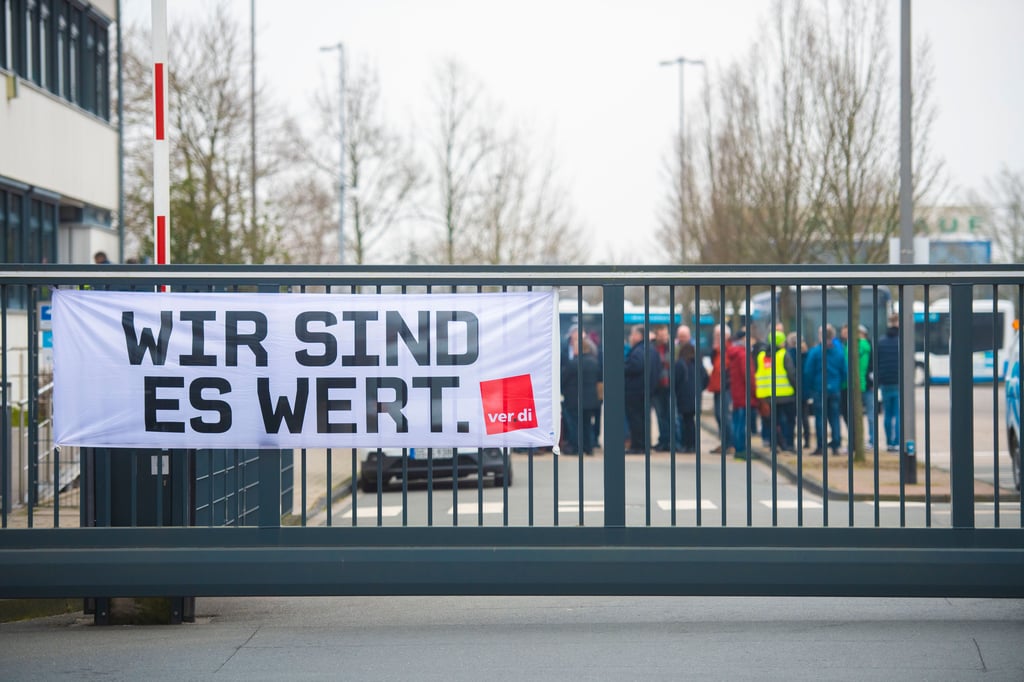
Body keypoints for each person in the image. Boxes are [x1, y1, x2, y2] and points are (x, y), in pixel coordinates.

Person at [803, 324, 847, 456]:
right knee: (835, 417)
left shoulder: (815, 352)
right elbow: (844, 371)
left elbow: (808, 372)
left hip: (819, 388)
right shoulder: (839, 352)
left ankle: (821, 446)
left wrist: (809, 388)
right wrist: (838, 383)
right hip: (834, 389)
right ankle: (836, 445)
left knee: (820, 418)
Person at [754, 330, 797, 451]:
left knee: (773, 421)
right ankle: (788, 444)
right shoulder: (783, 354)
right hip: (786, 394)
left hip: (768, 395)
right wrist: (796, 388)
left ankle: (774, 444)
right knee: (789, 421)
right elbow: (791, 373)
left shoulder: (761, 356)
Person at [561, 335, 601, 455]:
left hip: (574, 399)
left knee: (574, 424)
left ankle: (576, 447)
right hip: (591, 400)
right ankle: (588, 447)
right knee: (587, 424)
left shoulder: (573, 363)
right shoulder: (594, 362)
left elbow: (563, 379)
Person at [624, 324, 660, 453]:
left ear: (639, 336)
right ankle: (644, 444)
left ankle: (638, 446)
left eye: (632, 334)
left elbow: (636, 366)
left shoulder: (639, 351)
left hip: (636, 391)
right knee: (644, 419)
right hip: (647, 391)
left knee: (636, 420)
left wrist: (623, 367)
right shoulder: (651, 350)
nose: (630, 337)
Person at [674, 341, 708, 452]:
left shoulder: (680, 364)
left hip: (683, 396)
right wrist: (699, 389)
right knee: (691, 422)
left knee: (685, 422)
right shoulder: (698, 364)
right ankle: (693, 445)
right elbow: (706, 379)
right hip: (695, 397)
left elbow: (675, 380)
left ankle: (687, 445)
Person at [727, 328, 754, 459]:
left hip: (737, 393)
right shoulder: (743, 355)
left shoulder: (734, 353)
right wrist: (754, 391)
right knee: (742, 424)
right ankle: (741, 450)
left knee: (737, 422)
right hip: (744, 394)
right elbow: (748, 376)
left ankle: (738, 448)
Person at [876, 313, 901, 452]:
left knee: (887, 414)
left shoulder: (881, 341)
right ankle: (897, 442)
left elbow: (877, 362)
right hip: (898, 381)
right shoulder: (902, 340)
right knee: (898, 414)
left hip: (885, 382)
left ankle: (889, 443)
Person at [707, 325, 733, 454]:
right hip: (717, 387)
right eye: (715, 335)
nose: (717, 338)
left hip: (726, 387)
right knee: (719, 415)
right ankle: (725, 443)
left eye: (719, 335)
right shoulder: (717, 351)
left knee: (724, 415)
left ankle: (730, 444)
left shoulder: (729, 350)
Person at [651, 325, 673, 451]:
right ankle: (663, 440)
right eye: (661, 335)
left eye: (665, 334)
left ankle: (670, 441)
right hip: (657, 385)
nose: (664, 337)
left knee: (670, 415)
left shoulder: (671, 347)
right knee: (660, 415)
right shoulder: (652, 347)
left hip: (669, 385)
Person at [857, 324, 875, 448]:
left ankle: (865, 440)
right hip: (867, 385)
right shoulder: (870, 346)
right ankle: (871, 439)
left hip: (862, 385)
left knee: (863, 415)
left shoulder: (859, 346)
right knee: (870, 414)